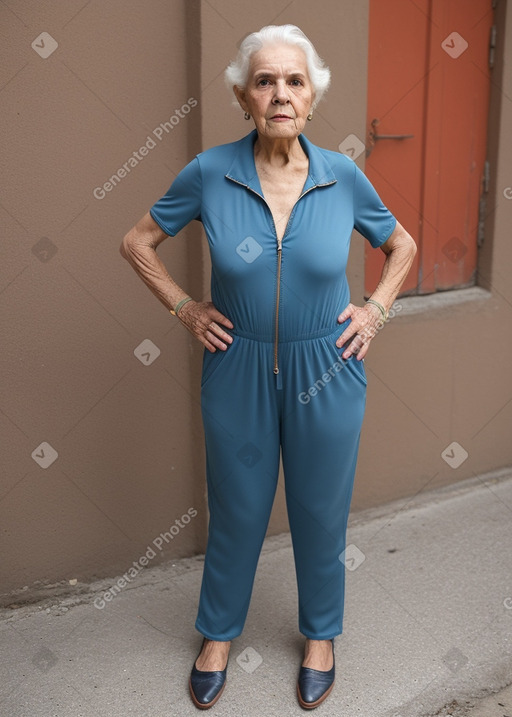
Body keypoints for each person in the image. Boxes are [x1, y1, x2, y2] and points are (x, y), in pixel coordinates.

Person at [121, 23, 417, 711]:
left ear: (312, 95)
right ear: (243, 96)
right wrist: (187, 310)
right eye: (265, 80)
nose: (280, 93)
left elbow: (401, 244)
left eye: (294, 80)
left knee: (321, 509)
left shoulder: (342, 175)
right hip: (238, 367)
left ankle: (320, 636)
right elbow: (137, 241)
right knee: (237, 508)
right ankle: (218, 635)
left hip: (328, 365)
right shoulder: (209, 172)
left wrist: (374, 309)